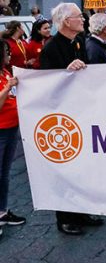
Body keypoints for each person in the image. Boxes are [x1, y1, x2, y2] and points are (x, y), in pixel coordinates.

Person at [39, 3, 103, 235]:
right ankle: (64, 218)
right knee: (65, 170)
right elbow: (47, 84)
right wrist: (67, 70)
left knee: (82, 168)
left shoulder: (78, 41)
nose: (84, 20)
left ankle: (81, 211)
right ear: (66, 21)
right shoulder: (51, 49)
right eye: (79, 17)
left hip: (81, 111)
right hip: (61, 118)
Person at [0, 39, 27, 237]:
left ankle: (2, 211)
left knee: (4, 174)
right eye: (6, 51)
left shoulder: (6, 72)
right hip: (1, 130)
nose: (9, 54)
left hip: (11, 128)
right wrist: (7, 88)